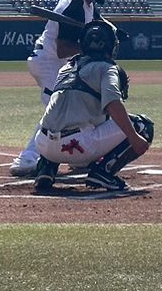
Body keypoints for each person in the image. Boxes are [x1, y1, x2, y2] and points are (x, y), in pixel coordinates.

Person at [10, 0, 116, 177]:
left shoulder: (86, 2)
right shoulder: (75, 5)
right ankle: (27, 159)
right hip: (49, 63)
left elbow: (96, 18)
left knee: (81, 107)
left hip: (57, 64)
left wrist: (112, 30)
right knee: (56, 111)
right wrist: (92, 49)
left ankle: (80, 156)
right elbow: (62, 49)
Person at [30, 19, 154, 194]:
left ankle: (46, 169)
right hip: (77, 146)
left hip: (42, 144)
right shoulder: (107, 68)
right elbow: (113, 104)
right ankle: (103, 172)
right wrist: (133, 137)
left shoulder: (66, 67)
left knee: (62, 117)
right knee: (143, 125)